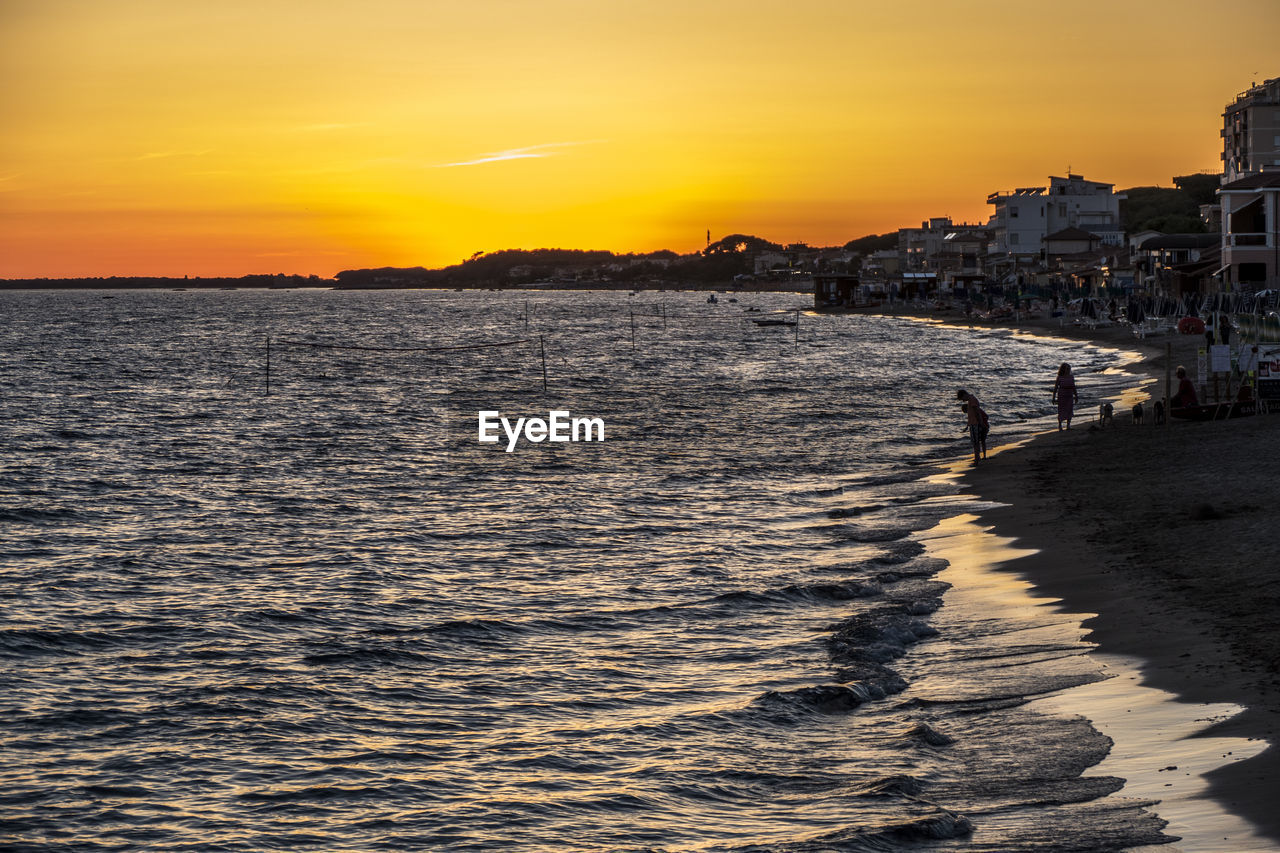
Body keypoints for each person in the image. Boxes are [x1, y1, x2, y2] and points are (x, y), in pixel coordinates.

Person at [956, 388, 987, 464]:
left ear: (964, 395)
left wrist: (981, 423)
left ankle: (977, 459)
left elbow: (977, 412)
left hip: (975, 424)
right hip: (974, 424)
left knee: (975, 442)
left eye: (962, 399)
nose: (963, 401)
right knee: (975, 442)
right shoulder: (971, 400)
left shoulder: (972, 400)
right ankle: (977, 457)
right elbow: (972, 414)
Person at [1051, 363, 1079, 430]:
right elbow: (1055, 388)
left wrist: (1076, 395)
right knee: (1061, 410)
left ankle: (1068, 425)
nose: (1069, 370)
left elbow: (1073, 387)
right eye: (1067, 369)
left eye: (1069, 369)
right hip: (1062, 395)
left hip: (1069, 395)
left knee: (1069, 410)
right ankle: (1060, 426)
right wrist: (1053, 398)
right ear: (1063, 369)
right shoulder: (1059, 377)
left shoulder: (1071, 377)